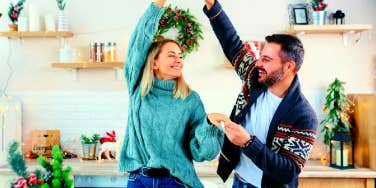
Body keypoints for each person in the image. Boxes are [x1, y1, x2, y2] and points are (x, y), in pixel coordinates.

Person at [203, 0, 318, 187]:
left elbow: (288, 171)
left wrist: (248, 142)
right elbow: (232, 43)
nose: (258, 63)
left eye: (266, 59)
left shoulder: (304, 115)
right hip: (239, 180)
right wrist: (212, 4)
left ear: (289, 66)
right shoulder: (254, 78)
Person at [118, 0, 224, 187]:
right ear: (154, 62)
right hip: (138, 180)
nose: (179, 60)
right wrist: (157, 5)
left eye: (180, 56)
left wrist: (208, 126)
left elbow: (202, 154)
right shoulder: (138, 89)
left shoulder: (190, 100)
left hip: (174, 181)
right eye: (171, 55)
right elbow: (139, 42)